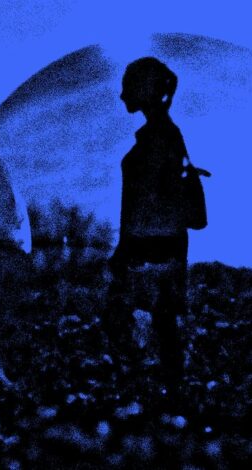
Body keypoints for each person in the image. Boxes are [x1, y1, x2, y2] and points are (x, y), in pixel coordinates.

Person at [105, 57, 190, 388]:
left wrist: (126, 249)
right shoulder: (162, 134)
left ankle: (156, 389)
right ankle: (166, 387)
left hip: (151, 247)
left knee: (141, 321)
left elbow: (147, 202)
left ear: (143, 89)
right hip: (161, 244)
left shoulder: (160, 137)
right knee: (160, 322)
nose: (122, 94)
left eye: (127, 86)